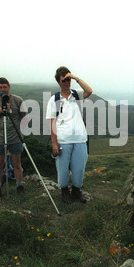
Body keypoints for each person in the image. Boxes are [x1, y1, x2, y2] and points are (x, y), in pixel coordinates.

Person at [46, 66, 93, 204]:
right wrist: (54, 143)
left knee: (79, 167)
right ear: (59, 82)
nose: (67, 82)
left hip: (80, 139)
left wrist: (75, 77)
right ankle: (64, 191)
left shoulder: (76, 94)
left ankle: (76, 191)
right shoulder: (54, 100)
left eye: (68, 79)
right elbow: (52, 123)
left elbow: (89, 90)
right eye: (64, 80)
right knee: (62, 168)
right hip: (63, 140)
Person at [0, 77, 26, 199]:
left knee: (16, 163)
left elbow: (24, 117)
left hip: (14, 137)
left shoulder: (17, 100)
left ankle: (20, 186)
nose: (2, 89)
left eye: (4, 87)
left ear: (9, 87)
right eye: (0, 87)